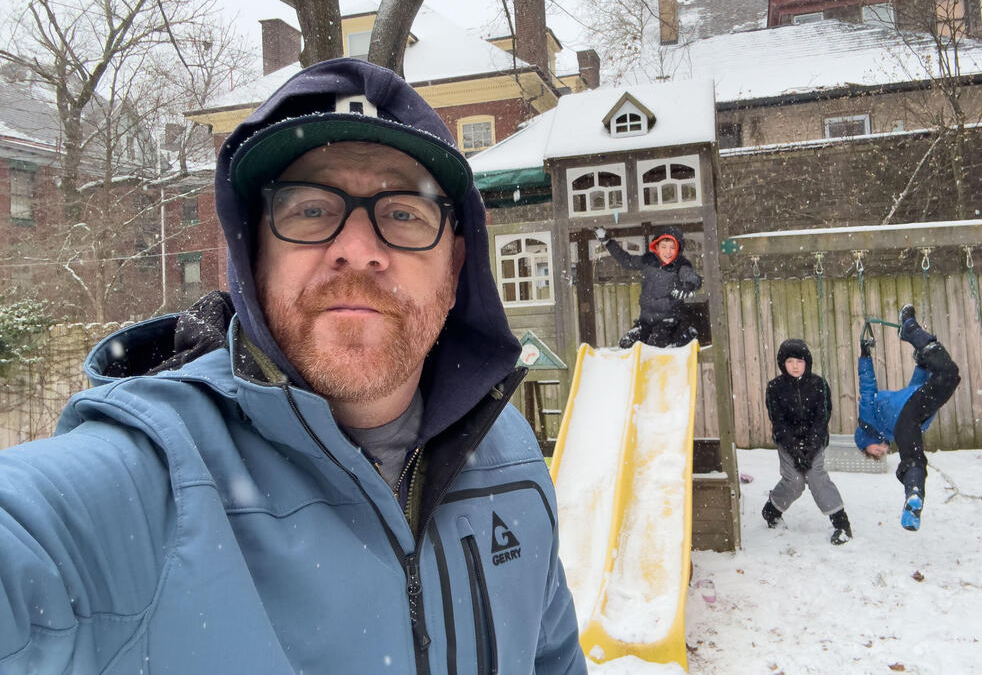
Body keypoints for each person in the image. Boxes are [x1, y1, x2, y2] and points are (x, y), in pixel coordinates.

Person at [0, 58, 586, 673]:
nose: (358, 250)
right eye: (310, 209)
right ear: (253, 254)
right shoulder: (147, 483)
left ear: (456, 260)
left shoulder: (511, 458)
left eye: (405, 213)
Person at [855, 304, 961, 531]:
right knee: (912, 457)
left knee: (949, 374)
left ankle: (911, 329)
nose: (882, 451)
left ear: (865, 441)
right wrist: (923, 364)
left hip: (911, 408)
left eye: (875, 451)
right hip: (916, 414)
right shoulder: (895, 433)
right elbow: (915, 389)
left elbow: (867, 387)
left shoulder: (867, 418)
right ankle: (914, 497)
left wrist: (865, 356)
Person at [761, 338, 853, 545]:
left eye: (800, 361)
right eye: (790, 361)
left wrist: (810, 450)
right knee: (794, 481)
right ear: (782, 363)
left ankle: (841, 523)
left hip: (814, 441)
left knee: (816, 476)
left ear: (807, 363)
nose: (795, 366)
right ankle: (772, 510)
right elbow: (779, 422)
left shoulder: (819, 385)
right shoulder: (775, 388)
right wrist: (794, 451)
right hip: (787, 442)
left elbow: (822, 419)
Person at [592, 225, 702, 348]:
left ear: (677, 249)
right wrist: (608, 242)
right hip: (646, 322)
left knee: (654, 344)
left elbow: (692, 277)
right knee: (627, 344)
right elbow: (626, 260)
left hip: (670, 323)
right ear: (657, 248)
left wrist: (689, 286)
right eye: (664, 247)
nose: (668, 252)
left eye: (672, 248)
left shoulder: (680, 266)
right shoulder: (649, 262)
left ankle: (684, 337)